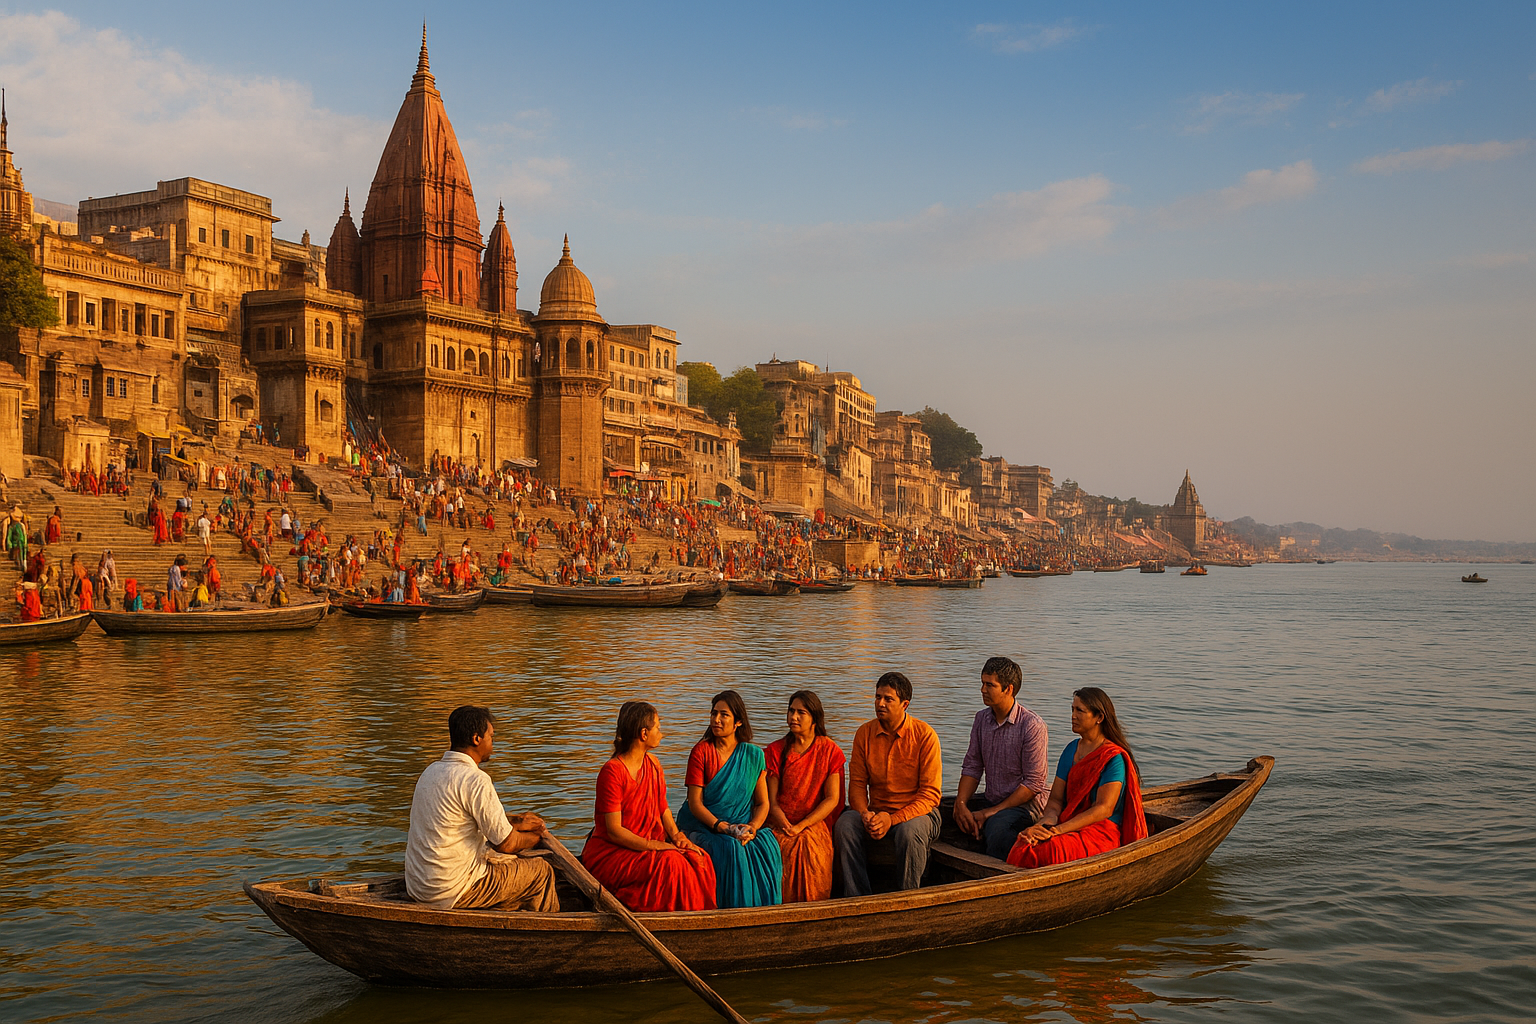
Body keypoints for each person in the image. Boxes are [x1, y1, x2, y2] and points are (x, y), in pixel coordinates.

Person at [403, 705, 557, 911]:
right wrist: (539, 838)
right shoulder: (475, 779)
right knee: (540, 871)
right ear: (477, 739)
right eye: (491, 737)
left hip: (418, 886)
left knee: (507, 868)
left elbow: (471, 821)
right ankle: (547, 935)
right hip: (453, 890)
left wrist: (518, 823)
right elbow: (506, 843)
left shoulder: (430, 772)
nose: (493, 743)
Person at [581, 701, 716, 912]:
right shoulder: (612, 772)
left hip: (644, 847)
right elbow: (615, 831)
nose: (661, 733)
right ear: (644, 734)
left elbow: (663, 809)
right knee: (672, 863)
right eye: (658, 728)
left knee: (699, 859)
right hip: (613, 852)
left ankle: (698, 920)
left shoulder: (653, 765)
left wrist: (678, 838)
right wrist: (656, 845)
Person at [1007, 688, 1148, 869]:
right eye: (1072, 709)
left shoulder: (1113, 757)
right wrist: (1044, 825)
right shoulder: (1071, 750)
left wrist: (1057, 831)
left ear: (1099, 717)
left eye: (1079, 711)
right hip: (1069, 823)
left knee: (1052, 850)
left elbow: (1103, 809)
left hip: (1101, 831)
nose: (1073, 716)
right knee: (1023, 843)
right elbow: (1056, 801)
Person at [834, 671, 943, 896]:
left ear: (905, 704)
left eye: (888, 699)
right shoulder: (864, 733)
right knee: (845, 824)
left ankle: (908, 897)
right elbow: (856, 785)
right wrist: (864, 813)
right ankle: (857, 897)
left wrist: (891, 819)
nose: (880, 703)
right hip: (876, 811)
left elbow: (930, 796)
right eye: (877, 697)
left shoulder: (925, 735)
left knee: (909, 832)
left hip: (918, 814)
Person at [676, 690, 783, 908]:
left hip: (742, 824)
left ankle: (764, 914)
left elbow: (763, 803)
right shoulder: (701, 752)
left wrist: (752, 827)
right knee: (731, 849)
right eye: (713, 713)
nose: (716, 720)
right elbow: (695, 803)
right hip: (705, 826)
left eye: (724, 715)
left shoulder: (754, 755)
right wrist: (722, 826)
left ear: (738, 722)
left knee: (766, 844)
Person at [953, 657, 1050, 860]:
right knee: (951, 817)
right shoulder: (981, 719)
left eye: (990, 685)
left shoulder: (1031, 725)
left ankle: (1007, 875)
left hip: (1025, 806)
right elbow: (972, 766)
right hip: (993, 799)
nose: (982, 690)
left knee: (997, 828)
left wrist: (990, 813)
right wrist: (961, 804)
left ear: (1008, 689)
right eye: (982, 683)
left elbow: (1033, 784)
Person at [765, 690, 845, 903]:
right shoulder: (774, 751)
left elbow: (832, 799)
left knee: (808, 846)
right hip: (779, 822)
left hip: (813, 822)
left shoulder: (829, 751)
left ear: (814, 719)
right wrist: (786, 824)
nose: (794, 717)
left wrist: (802, 825)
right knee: (780, 846)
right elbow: (770, 802)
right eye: (791, 711)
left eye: (801, 712)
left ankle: (813, 907)